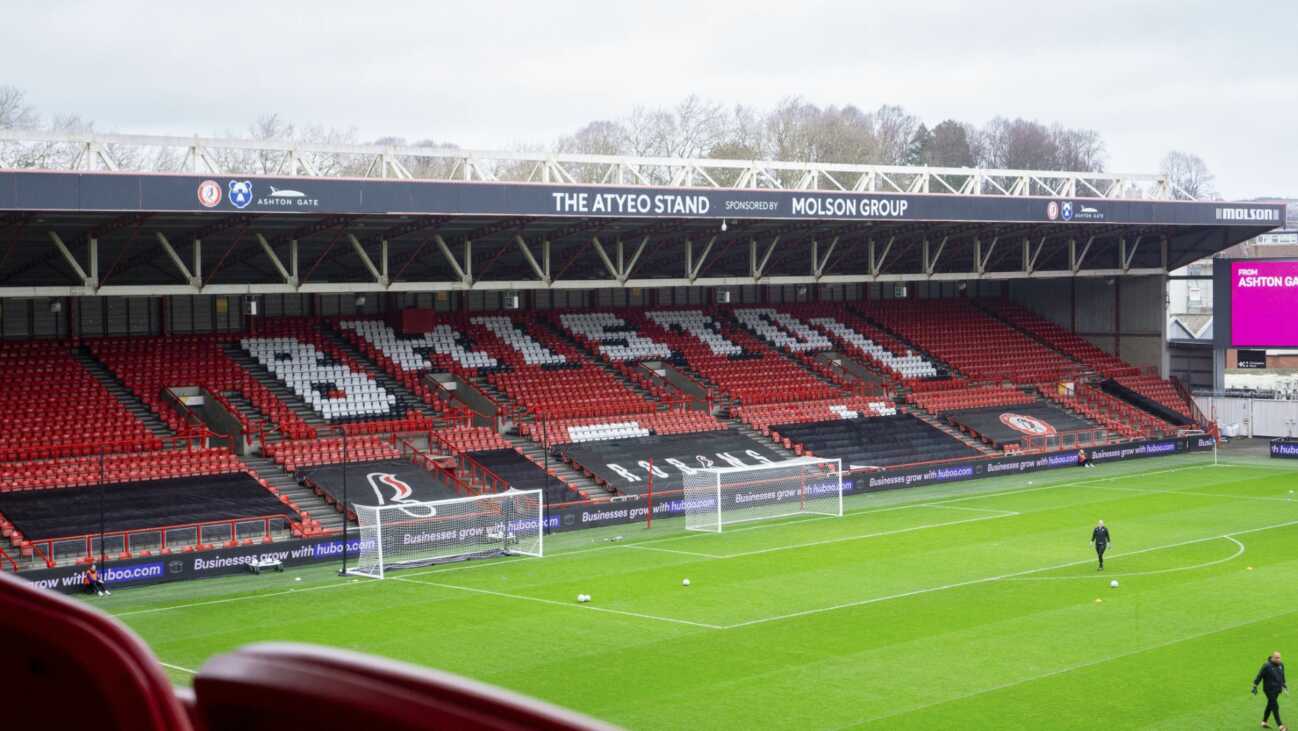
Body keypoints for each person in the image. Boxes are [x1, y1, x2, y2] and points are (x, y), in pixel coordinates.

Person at [1253, 651, 1287, 729]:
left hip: (1277, 689)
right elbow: (1259, 675)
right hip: (1269, 690)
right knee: (1275, 706)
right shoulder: (1266, 666)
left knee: (1270, 705)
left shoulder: (1281, 665)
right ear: (1272, 658)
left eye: (1279, 657)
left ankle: (1264, 722)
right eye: (1277, 658)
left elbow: (1282, 676)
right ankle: (1280, 726)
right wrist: (1255, 686)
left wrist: (1284, 686)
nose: (1279, 659)